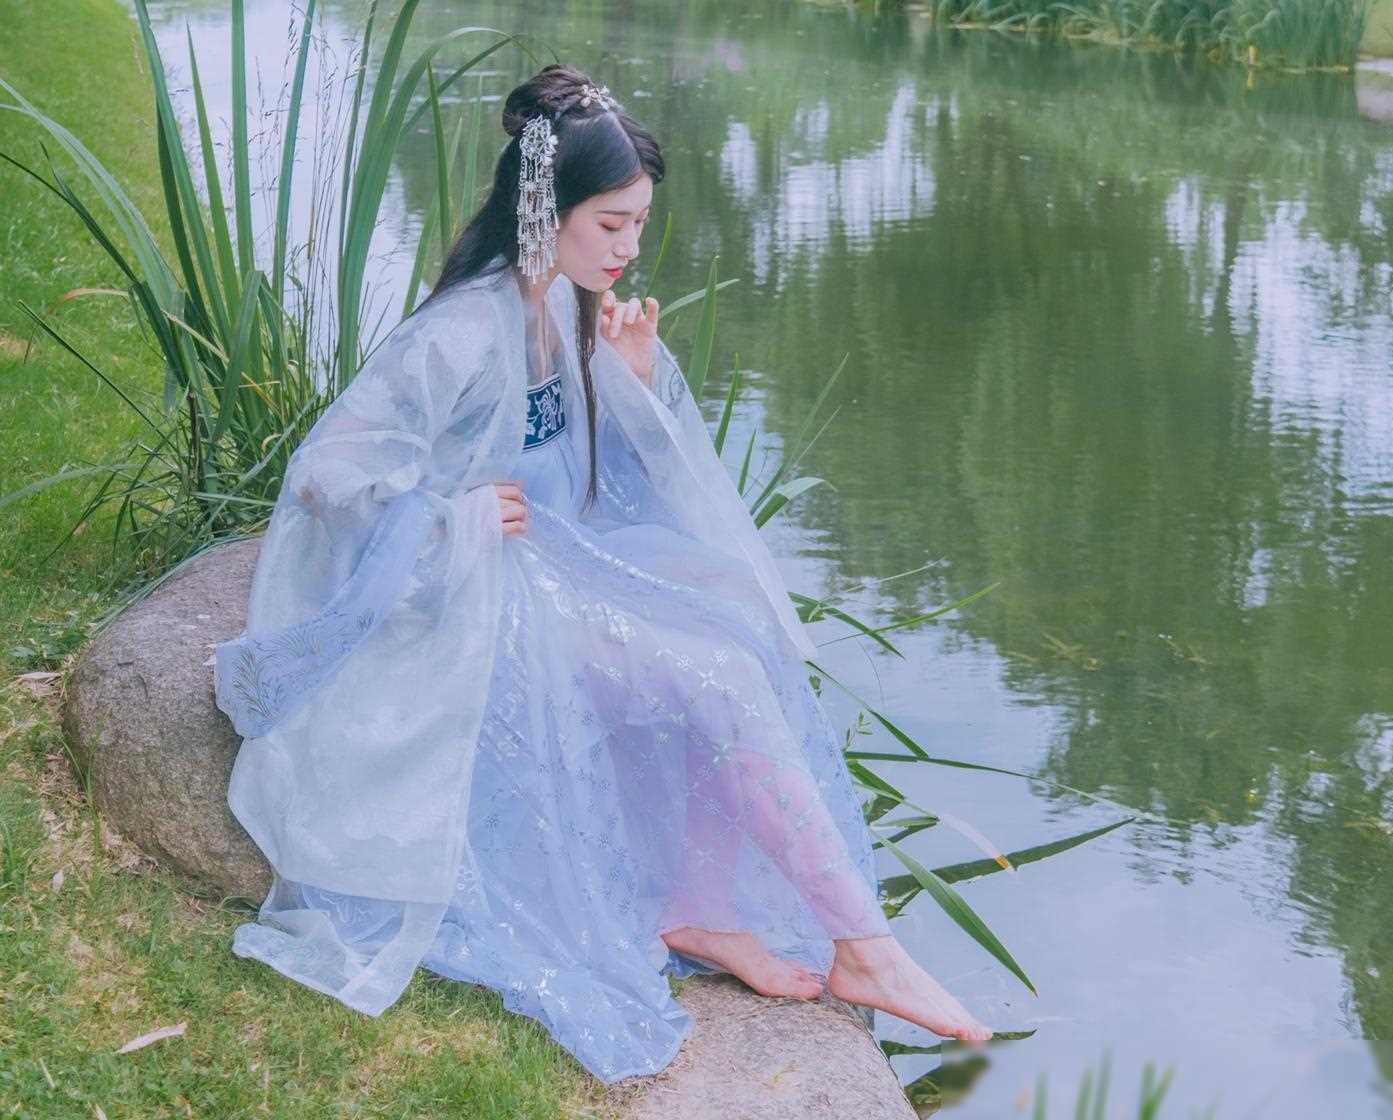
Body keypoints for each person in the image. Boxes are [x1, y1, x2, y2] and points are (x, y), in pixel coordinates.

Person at [212, 63, 991, 1084]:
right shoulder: (460, 331)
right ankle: (863, 948)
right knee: (713, 675)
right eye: (611, 225)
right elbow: (328, 474)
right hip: (461, 599)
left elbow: (600, 484)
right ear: (546, 212)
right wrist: (451, 520)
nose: (628, 248)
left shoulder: (572, 308)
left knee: (734, 623)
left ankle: (705, 909)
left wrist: (632, 379)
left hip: (547, 568)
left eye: (638, 226)